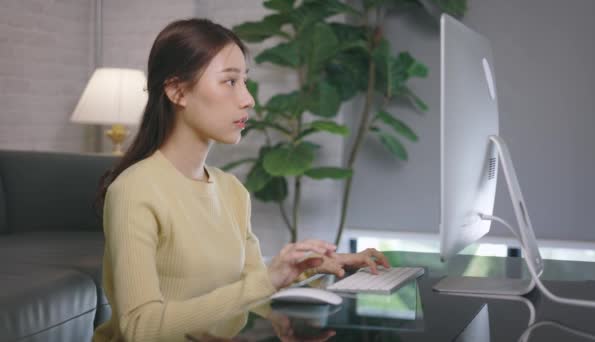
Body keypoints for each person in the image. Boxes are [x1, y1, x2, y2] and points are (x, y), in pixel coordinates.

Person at [92, 18, 389, 342]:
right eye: (230, 82)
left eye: (244, 82)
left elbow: (250, 289)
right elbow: (140, 328)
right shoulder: (133, 191)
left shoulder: (232, 191)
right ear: (178, 91)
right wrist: (265, 283)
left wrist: (309, 267)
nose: (248, 99)